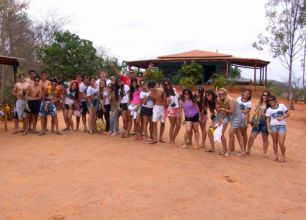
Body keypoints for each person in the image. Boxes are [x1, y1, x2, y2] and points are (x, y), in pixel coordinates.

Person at [217, 88, 245, 156]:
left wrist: (222, 109)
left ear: (225, 94)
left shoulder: (230, 100)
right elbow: (226, 112)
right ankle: (243, 151)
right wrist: (221, 119)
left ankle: (229, 151)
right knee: (239, 135)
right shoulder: (223, 101)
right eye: (219, 94)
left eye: (222, 94)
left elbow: (231, 111)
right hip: (232, 117)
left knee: (231, 133)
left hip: (237, 117)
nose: (221, 95)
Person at [247, 91, 271, 157]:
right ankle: (248, 150)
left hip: (265, 123)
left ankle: (265, 153)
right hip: (257, 122)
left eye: (266, 95)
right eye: (264, 95)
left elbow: (272, 115)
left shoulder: (270, 105)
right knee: (252, 136)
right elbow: (255, 111)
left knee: (265, 138)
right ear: (262, 96)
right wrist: (252, 117)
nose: (265, 97)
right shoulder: (259, 103)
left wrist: (266, 115)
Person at [266, 96, 289, 162]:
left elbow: (288, 114)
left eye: (272, 100)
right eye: (269, 100)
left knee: (281, 142)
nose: (271, 101)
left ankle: (283, 156)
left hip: (282, 126)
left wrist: (282, 117)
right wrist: (268, 128)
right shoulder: (269, 110)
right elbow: (267, 120)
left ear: (275, 100)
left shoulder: (282, 106)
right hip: (273, 127)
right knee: (275, 142)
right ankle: (276, 156)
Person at [163, 80, 181, 145]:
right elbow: (165, 103)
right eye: (165, 85)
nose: (167, 85)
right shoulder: (165, 93)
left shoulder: (174, 89)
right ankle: (171, 140)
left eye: (168, 84)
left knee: (178, 125)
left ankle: (173, 138)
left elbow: (178, 98)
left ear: (170, 84)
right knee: (172, 125)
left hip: (178, 109)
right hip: (171, 109)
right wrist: (169, 103)